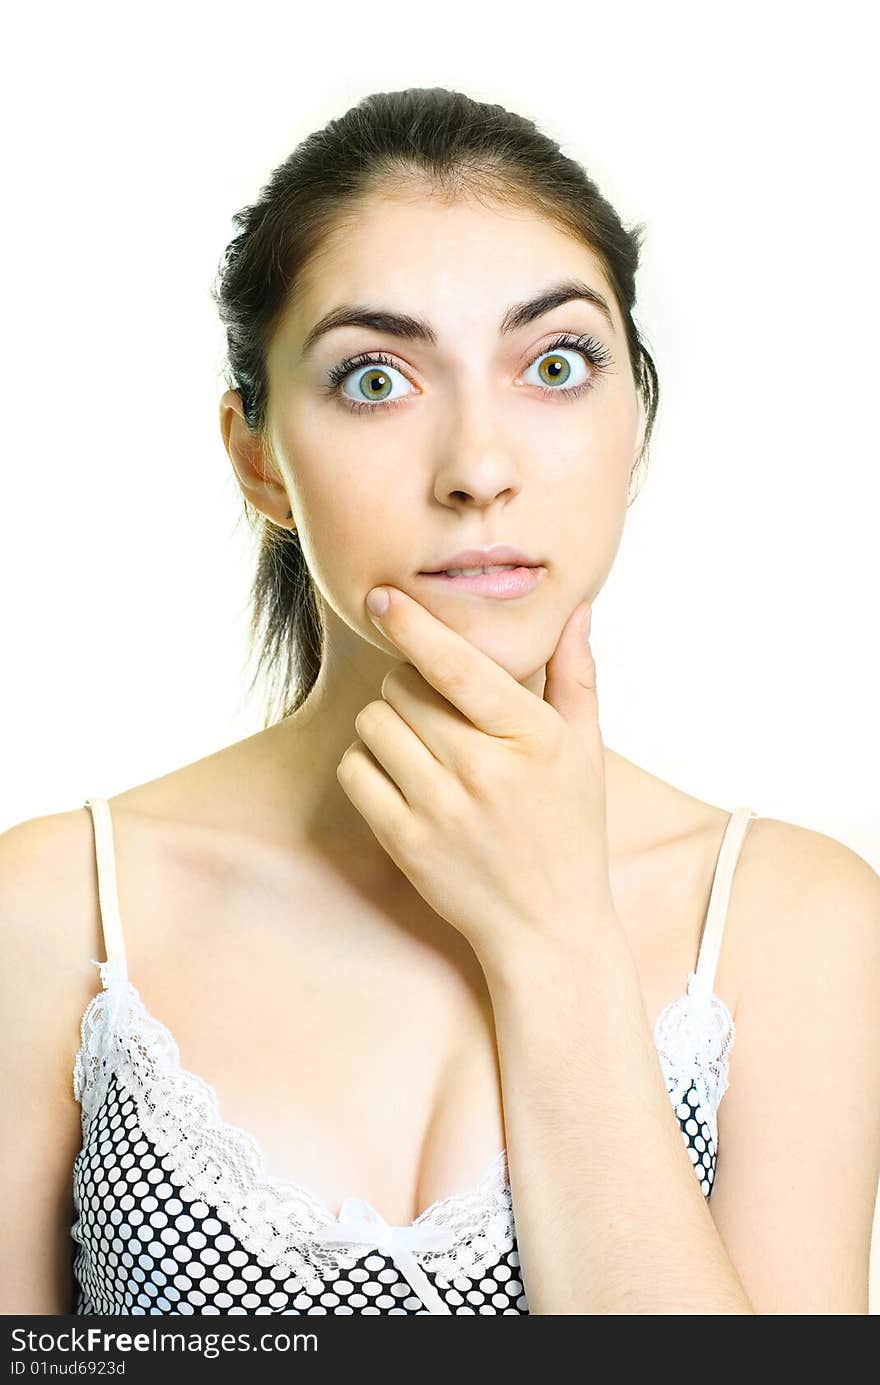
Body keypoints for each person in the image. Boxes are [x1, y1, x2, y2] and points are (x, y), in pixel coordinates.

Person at [2, 87, 878, 1318]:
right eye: (375, 379)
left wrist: (555, 940)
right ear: (257, 455)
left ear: (636, 418)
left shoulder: (792, 920)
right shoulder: (59, 910)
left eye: (556, 365)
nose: (477, 468)